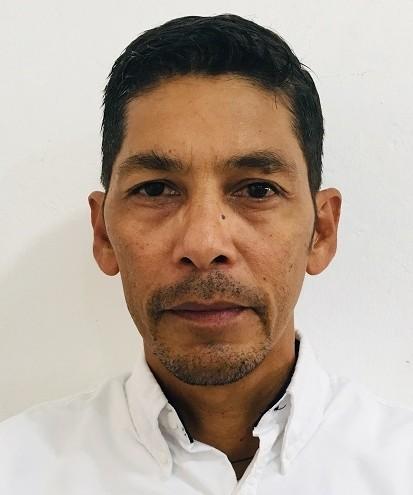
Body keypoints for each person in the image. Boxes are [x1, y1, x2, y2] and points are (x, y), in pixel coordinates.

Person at [1, 13, 412, 494]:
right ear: (104, 234)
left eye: (257, 190)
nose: (203, 244)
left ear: (321, 231)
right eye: (156, 189)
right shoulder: (17, 470)